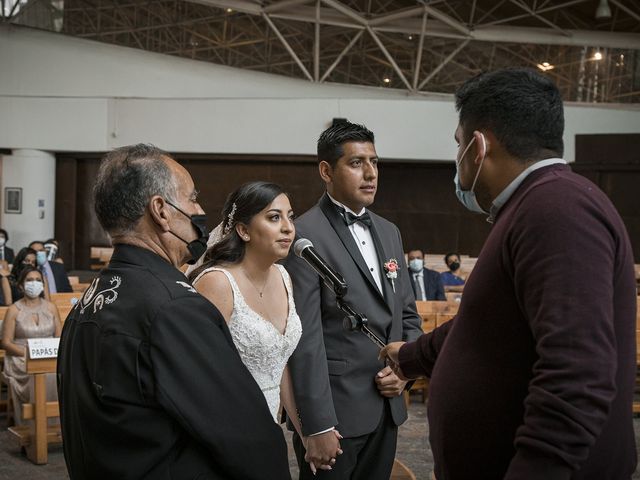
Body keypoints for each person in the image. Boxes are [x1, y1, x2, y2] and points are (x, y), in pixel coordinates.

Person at [380, 68, 637, 479]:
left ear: (478, 147)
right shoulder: (534, 206)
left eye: (459, 144)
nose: (459, 156)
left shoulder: (557, 211)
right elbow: (488, 322)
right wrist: (411, 356)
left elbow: (577, 375)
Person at [57, 144, 291, 479]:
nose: (199, 209)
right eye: (192, 198)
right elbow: (248, 438)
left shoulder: (89, 300)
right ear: (161, 211)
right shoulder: (176, 308)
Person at [283, 121, 423, 479]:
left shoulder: (390, 232)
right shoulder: (303, 235)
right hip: (335, 416)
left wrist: (404, 368)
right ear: (326, 171)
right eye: (357, 163)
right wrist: (316, 425)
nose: (370, 173)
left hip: (386, 405)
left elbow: (406, 312)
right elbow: (305, 339)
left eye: (375, 162)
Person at [188, 181, 341, 474]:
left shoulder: (284, 277)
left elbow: (278, 362)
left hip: (268, 429)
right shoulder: (217, 283)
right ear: (243, 230)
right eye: (274, 217)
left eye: (290, 216)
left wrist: (306, 432)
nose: (288, 228)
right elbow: (198, 377)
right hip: (224, 431)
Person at [2, 266, 62, 424]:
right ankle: (34, 424)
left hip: (48, 356)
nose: (34, 283)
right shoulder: (14, 310)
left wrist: (47, 353)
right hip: (21, 358)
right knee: (37, 375)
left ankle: (55, 423)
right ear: (21, 285)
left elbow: (59, 337)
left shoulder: (51, 308)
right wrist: (30, 354)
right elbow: (6, 343)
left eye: (37, 280)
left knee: (59, 373)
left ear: (43, 285)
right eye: (29, 280)